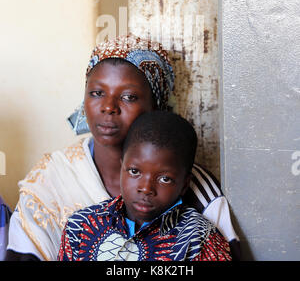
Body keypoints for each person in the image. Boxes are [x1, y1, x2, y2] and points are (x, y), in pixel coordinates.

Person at [6, 34, 239, 261]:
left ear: (155, 106)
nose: (109, 107)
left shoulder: (195, 186)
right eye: (97, 93)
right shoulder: (51, 178)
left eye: (128, 97)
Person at [58, 111, 231, 261]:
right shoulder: (81, 226)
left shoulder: (198, 238)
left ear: (184, 184)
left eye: (165, 179)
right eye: (134, 171)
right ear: (122, 169)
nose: (146, 188)